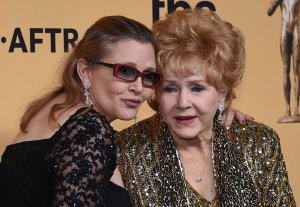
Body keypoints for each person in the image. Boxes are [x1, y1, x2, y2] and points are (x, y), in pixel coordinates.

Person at [116, 8, 296, 206]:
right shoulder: (126, 151)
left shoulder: (258, 143)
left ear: (222, 90)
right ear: (156, 92)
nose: (183, 103)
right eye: (170, 89)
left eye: (197, 88)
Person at [0, 15, 162, 207]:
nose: (139, 87)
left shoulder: (50, 111)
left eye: (149, 76)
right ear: (85, 71)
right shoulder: (89, 128)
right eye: (126, 71)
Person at [268, 0, 300, 123]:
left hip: (297, 28)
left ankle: (296, 110)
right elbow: (269, 11)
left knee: (296, 70)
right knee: (286, 69)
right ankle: (288, 110)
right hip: (285, 29)